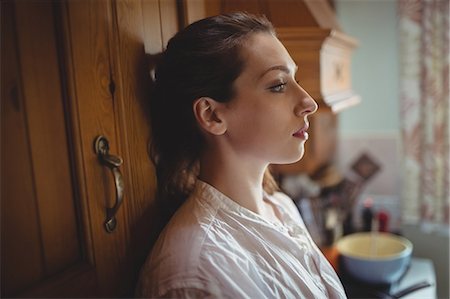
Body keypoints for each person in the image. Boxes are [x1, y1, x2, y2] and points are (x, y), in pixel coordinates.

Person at [136, 12, 347, 298]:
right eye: (278, 85)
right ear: (212, 115)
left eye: (294, 80)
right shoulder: (199, 270)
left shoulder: (281, 206)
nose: (308, 102)